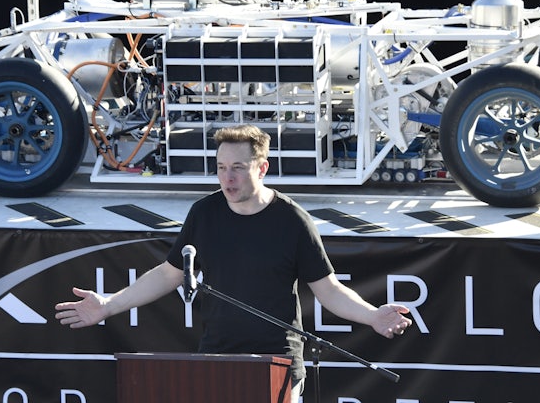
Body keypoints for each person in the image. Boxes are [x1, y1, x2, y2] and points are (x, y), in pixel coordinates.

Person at [55, 124, 412, 402]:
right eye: (222, 167)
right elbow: (169, 273)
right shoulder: (204, 214)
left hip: (277, 363)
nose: (228, 177)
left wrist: (372, 315)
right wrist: (108, 305)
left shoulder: (292, 221)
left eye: (238, 168)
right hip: (218, 359)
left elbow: (328, 289)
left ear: (262, 168)